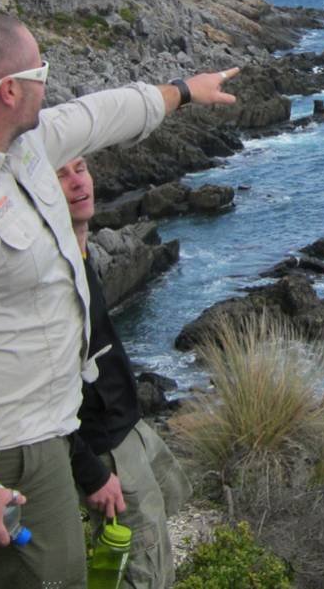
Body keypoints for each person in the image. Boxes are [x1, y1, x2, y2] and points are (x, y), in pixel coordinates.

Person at [0, 13, 238, 589]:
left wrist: (184, 92)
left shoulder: (24, 143)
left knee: (61, 574)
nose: (49, 80)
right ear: (9, 90)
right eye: (40, 69)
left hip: (47, 429)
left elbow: (100, 114)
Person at [58, 156, 190, 589]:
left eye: (81, 169)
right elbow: (41, 388)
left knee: (169, 503)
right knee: (141, 559)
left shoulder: (80, 252)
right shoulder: (52, 276)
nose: (78, 183)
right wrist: (89, 469)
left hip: (128, 423)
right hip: (102, 443)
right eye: (62, 175)